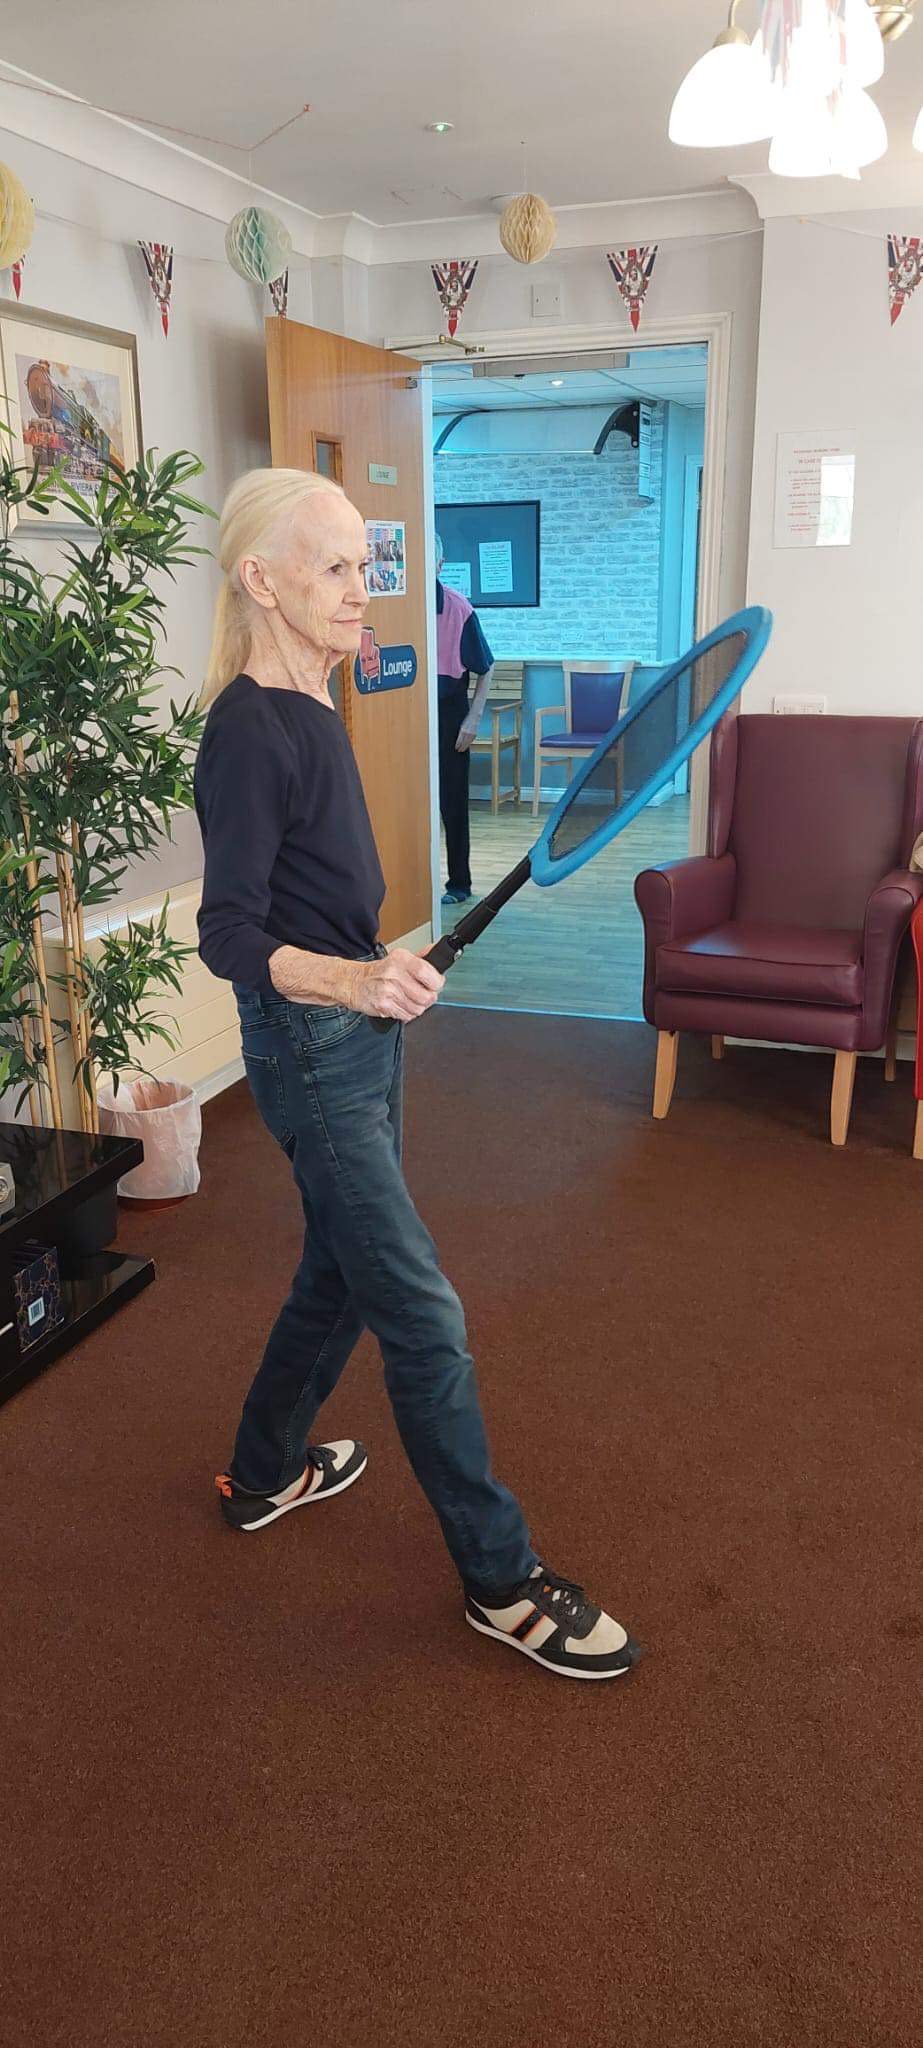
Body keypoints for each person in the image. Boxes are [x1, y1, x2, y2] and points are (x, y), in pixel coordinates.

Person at [194, 467, 635, 1683]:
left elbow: (317, 891)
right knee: (421, 1313)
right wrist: (351, 982)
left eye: (365, 566)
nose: (362, 590)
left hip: (353, 1036)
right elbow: (226, 933)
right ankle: (500, 1580)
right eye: (334, 567)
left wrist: (374, 966)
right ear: (261, 580)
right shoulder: (247, 731)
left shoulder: (315, 700)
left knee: (338, 1270)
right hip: (311, 1051)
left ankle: (265, 1467)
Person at [435, 534, 493, 907]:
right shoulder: (395, 605)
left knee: (452, 801)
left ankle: (459, 882)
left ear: (440, 566)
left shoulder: (458, 608)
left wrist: (473, 718)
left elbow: (485, 667)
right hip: (408, 709)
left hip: (450, 709)